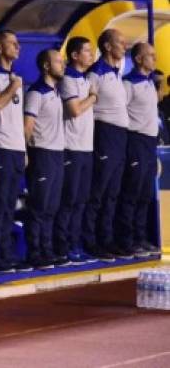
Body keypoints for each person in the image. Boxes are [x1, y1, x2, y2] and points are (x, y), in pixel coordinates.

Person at [0, 30, 29, 273]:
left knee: (11, 203)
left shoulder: (16, 77)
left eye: (18, 42)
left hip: (16, 148)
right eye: (12, 43)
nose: (17, 47)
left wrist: (24, 148)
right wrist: (13, 85)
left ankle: (6, 251)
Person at [83, 29, 130, 261]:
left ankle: (107, 239)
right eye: (121, 42)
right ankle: (91, 242)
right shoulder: (96, 73)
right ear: (108, 47)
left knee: (113, 193)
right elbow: (86, 109)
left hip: (121, 136)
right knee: (98, 192)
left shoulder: (116, 73)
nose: (125, 45)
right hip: (104, 135)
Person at [55, 37, 98, 265]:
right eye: (87, 51)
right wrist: (92, 97)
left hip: (86, 148)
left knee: (81, 199)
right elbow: (74, 110)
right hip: (71, 148)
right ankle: (62, 247)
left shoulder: (84, 78)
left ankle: (75, 243)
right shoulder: (69, 79)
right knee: (69, 199)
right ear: (74, 55)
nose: (91, 55)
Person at [23, 49, 66, 269]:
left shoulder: (56, 93)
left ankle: (48, 250)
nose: (63, 64)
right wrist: (25, 152)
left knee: (52, 206)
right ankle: (35, 252)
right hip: (42, 153)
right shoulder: (36, 92)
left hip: (57, 154)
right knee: (39, 206)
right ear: (46, 66)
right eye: (58, 61)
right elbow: (28, 126)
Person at [117, 42, 160, 257]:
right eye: (150, 55)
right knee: (131, 194)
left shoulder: (150, 82)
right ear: (138, 59)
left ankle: (140, 238)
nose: (155, 58)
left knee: (144, 195)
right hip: (135, 142)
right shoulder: (128, 83)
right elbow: (121, 114)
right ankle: (127, 240)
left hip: (149, 144)